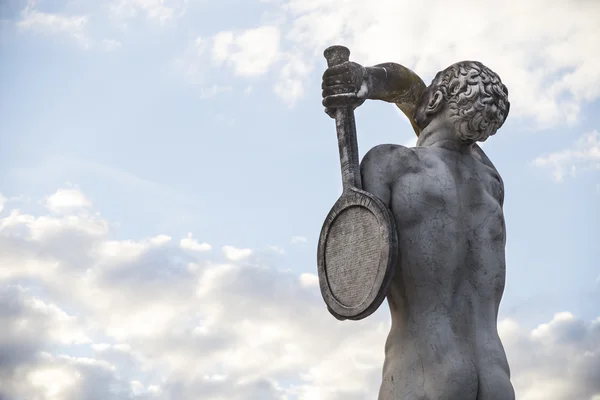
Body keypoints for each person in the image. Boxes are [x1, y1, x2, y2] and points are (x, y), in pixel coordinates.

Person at [322, 58, 514, 400]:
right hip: (497, 378)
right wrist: (369, 82)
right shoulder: (491, 183)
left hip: (425, 372)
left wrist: (365, 81)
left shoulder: (390, 164)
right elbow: (427, 103)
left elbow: (358, 262)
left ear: (437, 99)